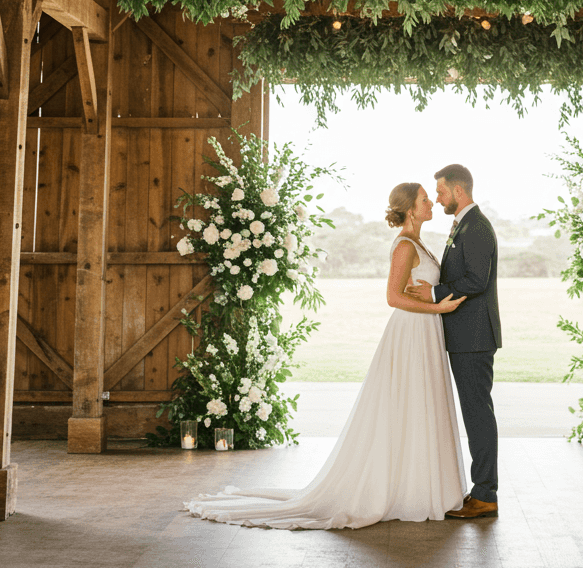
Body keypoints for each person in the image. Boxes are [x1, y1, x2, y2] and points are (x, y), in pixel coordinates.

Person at [183, 182, 466, 530]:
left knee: (419, 405)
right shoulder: (405, 245)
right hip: (411, 332)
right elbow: (393, 297)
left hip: (425, 331)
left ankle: (419, 486)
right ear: (411, 209)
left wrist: (433, 302)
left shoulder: (418, 241)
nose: (431, 204)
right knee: (407, 404)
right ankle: (404, 489)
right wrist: (437, 305)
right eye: (425, 200)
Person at [406, 163, 501, 520]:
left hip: (474, 336)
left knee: (477, 413)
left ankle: (485, 494)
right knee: (475, 412)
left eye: (442, 192)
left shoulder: (476, 227)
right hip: (464, 335)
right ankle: (481, 489)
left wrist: (433, 292)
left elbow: (476, 280)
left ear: (458, 191)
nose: (438, 198)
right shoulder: (464, 225)